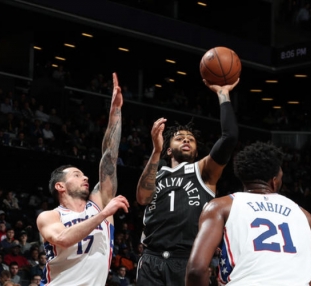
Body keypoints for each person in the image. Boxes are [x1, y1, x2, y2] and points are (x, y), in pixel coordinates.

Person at [135, 79, 240, 286]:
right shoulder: (157, 171)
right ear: (167, 149)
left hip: (187, 259)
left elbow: (229, 137)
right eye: (179, 138)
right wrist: (155, 152)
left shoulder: (203, 170)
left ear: (196, 151)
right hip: (151, 259)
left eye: (190, 139)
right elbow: (142, 198)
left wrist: (223, 94)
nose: (185, 140)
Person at [36, 72, 129, 285]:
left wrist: (115, 111)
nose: (85, 177)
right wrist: (104, 214)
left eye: (84, 174)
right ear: (60, 186)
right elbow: (63, 239)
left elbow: (110, 156)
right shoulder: (49, 217)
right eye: (77, 175)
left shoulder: (98, 202)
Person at [185, 141, 311, 286]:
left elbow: (196, 270)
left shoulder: (221, 207)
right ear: (274, 182)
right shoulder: (305, 216)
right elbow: (309, 279)